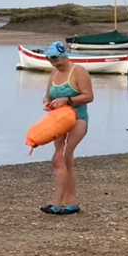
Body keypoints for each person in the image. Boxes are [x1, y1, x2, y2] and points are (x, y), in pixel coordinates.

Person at [40, 41, 93, 215]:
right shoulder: (54, 73)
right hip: (58, 121)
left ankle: (56, 202)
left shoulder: (78, 71)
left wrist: (68, 100)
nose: (53, 62)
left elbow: (89, 96)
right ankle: (72, 202)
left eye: (55, 58)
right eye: (49, 59)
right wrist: (47, 103)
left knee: (59, 158)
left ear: (64, 56)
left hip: (78, 120)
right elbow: (47, 95)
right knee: (66, 160)